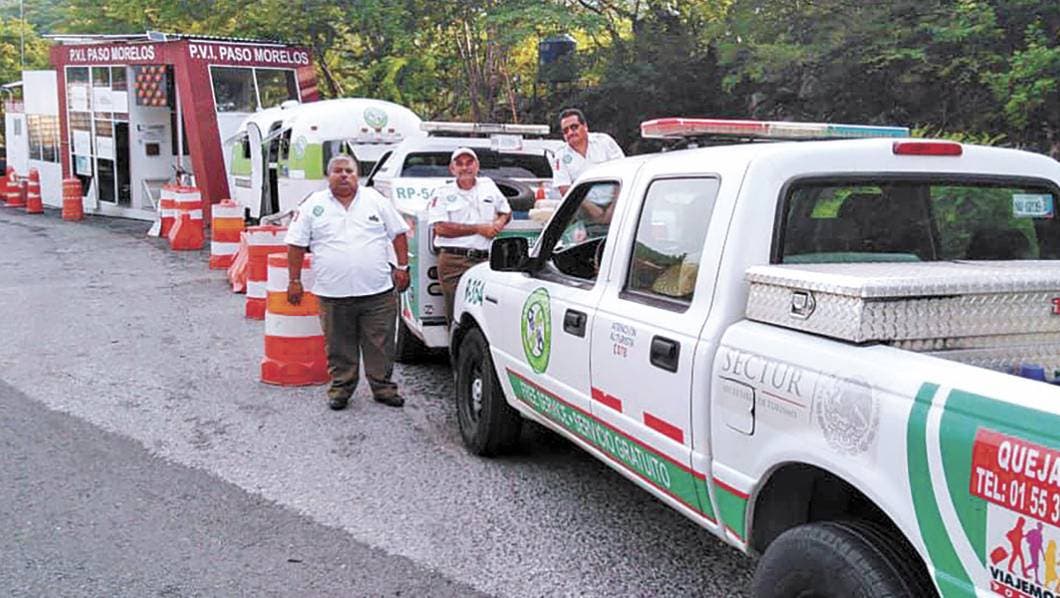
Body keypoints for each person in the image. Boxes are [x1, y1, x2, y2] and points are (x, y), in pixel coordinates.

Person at [285, 154, 410, 411]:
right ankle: (341, 389)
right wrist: (294, 280)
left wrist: (402, 267)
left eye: (349, 171)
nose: (344, 175)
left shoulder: (375, 200)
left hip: (377, 291)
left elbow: (398, 234)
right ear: (328, 176)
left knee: (381, 344)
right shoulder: (313, 204)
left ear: (357, 176)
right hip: (333, 293)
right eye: (338, 171)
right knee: (338, 345)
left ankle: (383, 388)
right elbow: (296, 244)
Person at [428, 147, 511, 324]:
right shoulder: (442, 192)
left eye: (469, 163)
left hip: (486, 261)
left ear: (477, 166)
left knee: (486, 316)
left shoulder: (488, 186)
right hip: (454, 263)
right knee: (457, 315)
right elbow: (441, 228)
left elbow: (506, 211)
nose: (465, 168)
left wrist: (499, 222)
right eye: (459, 164)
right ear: (452, 169)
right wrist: (478, 229)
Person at [552, 108, 625, 224]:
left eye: (574, 127)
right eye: (565, 131)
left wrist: (612, 208)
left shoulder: (604, 142)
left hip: (617, 203)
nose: (570, 133)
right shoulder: (560, 155)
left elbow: (623, 174)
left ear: (585, 126)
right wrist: (594, 210)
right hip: (584, 209)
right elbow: (565, 189)